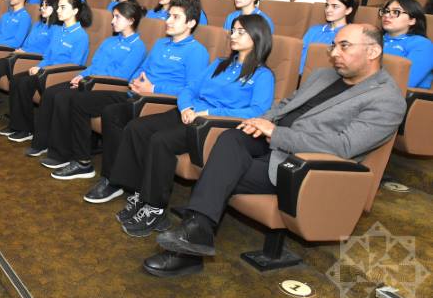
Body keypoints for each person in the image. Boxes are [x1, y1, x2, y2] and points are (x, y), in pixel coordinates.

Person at [145, 24, 406, 278]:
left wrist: (276, 133)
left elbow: (343, 147)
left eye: (344, 46)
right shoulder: (323, 76)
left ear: (373, 51)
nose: (334, 53)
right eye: (333, 46)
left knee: (220, 170)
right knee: (231, 137)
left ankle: (189, 249)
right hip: (270, 139)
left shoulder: (387, 100)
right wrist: (260, 121)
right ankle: (196, 235)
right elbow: (284, 106)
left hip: (299, 164)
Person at [109, 14, 274, 239]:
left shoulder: (263, 75)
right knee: (137, 128)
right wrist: (186, 107)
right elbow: (189, 88)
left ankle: (155, 208)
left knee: (161, 141)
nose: (233, 35)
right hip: (189, 113)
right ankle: (140, 192)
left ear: (257, 37)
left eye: (240, 32)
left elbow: (256, 112)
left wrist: (207, 113)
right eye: (233, 30)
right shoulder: (220, 64)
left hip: (211, 125)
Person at [75, 0, 210, 202]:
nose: (168, 21)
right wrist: (136, 80)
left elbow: (190, 90)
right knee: (99, 107)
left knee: (114, 114)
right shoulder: (161, 43)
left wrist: (153, 88)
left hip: (162, 101)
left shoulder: (197, 52)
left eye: (176, 17)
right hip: (138, 94)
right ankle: (107, 175)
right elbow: (143, 68)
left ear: (191, 23)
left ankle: (115, 181)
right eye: (168, 16)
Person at [26, 1, 147, 177]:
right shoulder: (110, 41)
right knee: (52, 92)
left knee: (65, 98)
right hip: (90, 81)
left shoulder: (137, 46)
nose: (112, 21)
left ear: (131, 20)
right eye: (113, 16)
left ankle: (65, 154)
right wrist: (81, 76)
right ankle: (52, 147)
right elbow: (93, 65)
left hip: (107, 87)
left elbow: (121, 75)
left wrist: (89, 80)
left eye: (117, 17)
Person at [1, 0, 92, 142]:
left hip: (60, 74)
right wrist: (39, 66)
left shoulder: (81, 36)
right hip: (46, 71)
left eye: (63, 7)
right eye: (58, 7)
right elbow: (48, 55)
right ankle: (18, 125)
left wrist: (46, 70)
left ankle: (26, 130)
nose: (58, 10)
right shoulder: (58, 31)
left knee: (24, 83)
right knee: (17, 80)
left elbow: (75, 65)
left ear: (75, 11)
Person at [0, 0, 60, 122]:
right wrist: (21, 50)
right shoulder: (37, 25)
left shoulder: (56, 29)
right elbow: (26, 43)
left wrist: (25, 51)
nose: (42, 8)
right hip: (19, 56)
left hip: (31, 60)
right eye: (42, 5)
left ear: (55, 8)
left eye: (46, 6)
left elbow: (48, 52)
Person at [299, 0, 358, 73]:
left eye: (335, 6)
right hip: (301, 75)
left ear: (348, 10)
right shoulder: (314, 30)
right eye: (327, 5)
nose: (328, 10)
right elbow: (300, 56)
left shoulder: (352, 35)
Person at [380, 0, 433, 88]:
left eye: (396, 12)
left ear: (412, 20)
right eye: (386, 11)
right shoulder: (374, 38)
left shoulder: (422, 44)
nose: (387, 15)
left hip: (398, 94)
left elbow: (405, 81)